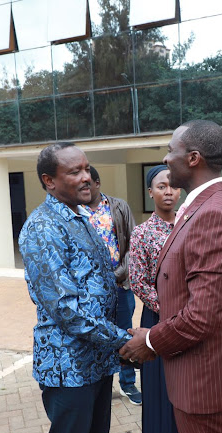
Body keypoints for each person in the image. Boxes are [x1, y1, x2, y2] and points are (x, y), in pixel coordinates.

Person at [120, 120, 222, 433]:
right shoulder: (199, 207)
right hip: (196, 368)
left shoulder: (211, 213)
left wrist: (152, 340)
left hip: (204, 375)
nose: (165, 157)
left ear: (193, 158)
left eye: (171, 149)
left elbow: (201, 314)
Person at [19, 142, 133, 433]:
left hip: (96, 361)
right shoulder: (42, 227)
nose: (86, 177)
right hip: (68, 366)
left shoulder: (81, 215)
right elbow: (67, 309)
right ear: (49, 181)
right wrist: (123, 340)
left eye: (87, 168)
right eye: (75, 172)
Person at [128, 165, 186, 433]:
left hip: (188, 318)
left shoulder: (189, 225)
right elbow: (137, 280)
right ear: (150, 192)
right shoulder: (142, 233)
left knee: (186, 388)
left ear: (179, 191)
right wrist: (168, 310)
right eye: (160, 186)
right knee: (161, 390)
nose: (167, 191)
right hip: (157, 319)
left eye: (172, 186)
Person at [82, 166, 141, 405]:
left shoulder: (118, 207)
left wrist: (118, 274)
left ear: (97, 183)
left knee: (124, 334)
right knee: (96, 336)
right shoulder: (76, 211)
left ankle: (128, 383)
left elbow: (132, 243)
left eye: (88, 184)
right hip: (90, 291)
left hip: (120, 284)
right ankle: (98, 384)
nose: (83, 188)